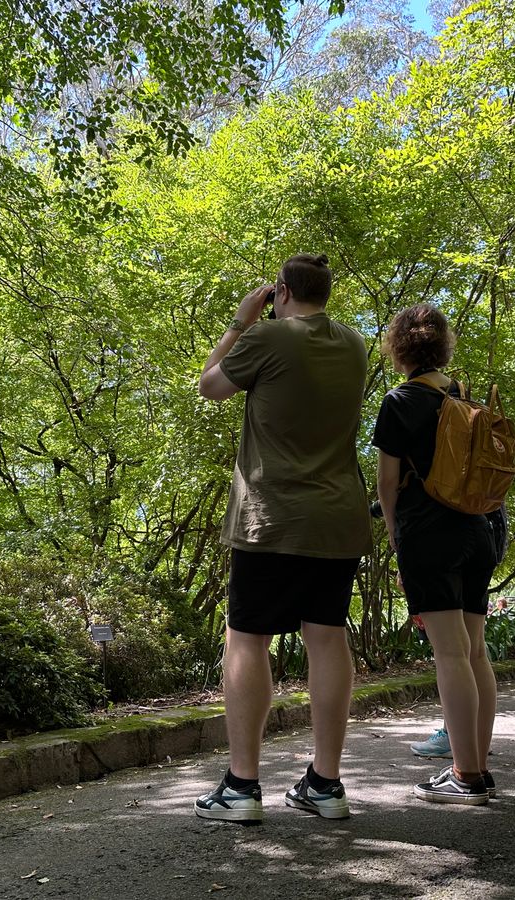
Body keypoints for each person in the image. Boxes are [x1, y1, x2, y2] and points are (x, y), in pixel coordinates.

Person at [194, 254, 373, 823]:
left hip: (271, 518)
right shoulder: (355, 345)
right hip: (336, 518)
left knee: (246, 639)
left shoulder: (268, 338)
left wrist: (239, 322)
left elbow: (210, 386)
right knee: (327, 638)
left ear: (281, 292)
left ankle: (242, 787)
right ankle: (325, 784)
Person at [374, 303, 497, 805]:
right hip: (478, 530)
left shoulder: (399, 402)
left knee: (450, 654)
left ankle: (466, 776)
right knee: (475, 652)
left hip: (429, 532)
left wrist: (394, 535)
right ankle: (476, 767)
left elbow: (387, 483)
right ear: (442, 345)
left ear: (399, 349)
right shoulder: (464, 397)